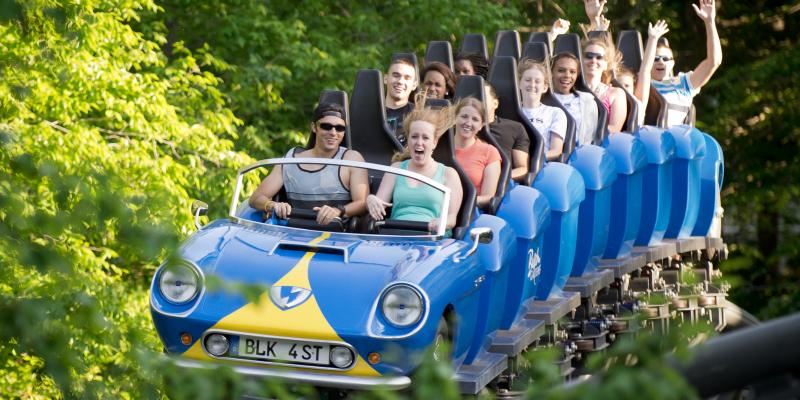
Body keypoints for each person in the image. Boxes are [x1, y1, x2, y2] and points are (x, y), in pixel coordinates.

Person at [249, 103, 369, 226]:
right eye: (326, 126)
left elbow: (363, 203)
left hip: (335, 236)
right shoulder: (291, 159)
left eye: (339, 128)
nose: (333, 132)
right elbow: (255, 198)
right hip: (293, 231)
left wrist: (338, 210)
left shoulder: (352, 160)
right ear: (314, 127)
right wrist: (273, 205)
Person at [366, 98, 463, 233]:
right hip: (396, 236)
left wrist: (441, 222)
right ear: (408, 139)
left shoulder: (449, 174)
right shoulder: (396, 169)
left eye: (425, 138)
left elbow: (452, 219)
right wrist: (371, 199)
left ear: (434, 142)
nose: (419, 143)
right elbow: (379, 203)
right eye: (414, 136)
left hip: (432, 239)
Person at [652, 0, 722, 127]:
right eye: (655, 58)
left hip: (676, 141)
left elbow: (714, 61)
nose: (660, 61)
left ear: (672, 63)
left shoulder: (683, 83)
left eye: (665, 59)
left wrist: (710, 22)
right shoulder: (640, 84)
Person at [616, 20, 669, 126]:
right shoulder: (611, 101)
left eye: (626, 86)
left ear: (634, 88)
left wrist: (653, 39)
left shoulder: (638, 102)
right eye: (619, 86)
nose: (623, 89)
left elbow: (645, 70)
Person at [452, 97, 501, 208]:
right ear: (455, 118)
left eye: (475, 119)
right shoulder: (437, 147)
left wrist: (460, 203)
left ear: (481, 125)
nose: (468, 123)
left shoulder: (490, 152)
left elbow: (488, 197)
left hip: (468, 212)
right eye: (464, 116)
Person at [517, 60, 567, 161]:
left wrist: (533, 160)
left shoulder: (555, 113)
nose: (532, 84)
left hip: (543, 166)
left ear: (545, 87)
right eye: (527, 80)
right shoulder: (512, 112)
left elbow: (556, 151)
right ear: (519, 84)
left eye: (537, 81)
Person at [550, 52, 598, 146]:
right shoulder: (541, 99)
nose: (567, 75)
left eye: (572, 72)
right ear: (551, 72)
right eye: (561, 70)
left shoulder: (588, 102)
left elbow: (589, 137)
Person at [484, 82, 530, 179]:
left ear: (495, 103)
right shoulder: (460, 128)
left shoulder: (515, 128)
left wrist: (497, 179)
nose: (478, 101)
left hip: (501, 185)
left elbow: (522, 168)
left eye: (482, 96)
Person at [583, 38, 628, 133]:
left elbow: (614, 129)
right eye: (588, 56)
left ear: (606, 65)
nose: (593, 60)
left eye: (599, 57)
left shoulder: (616, 94)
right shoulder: (571, 91)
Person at [384, 57, 418, 146]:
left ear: (414, 85)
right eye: (396, 75)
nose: (400, 81)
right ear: (385, 79)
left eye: (407, 78)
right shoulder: (369, 111)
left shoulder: (419, 115)